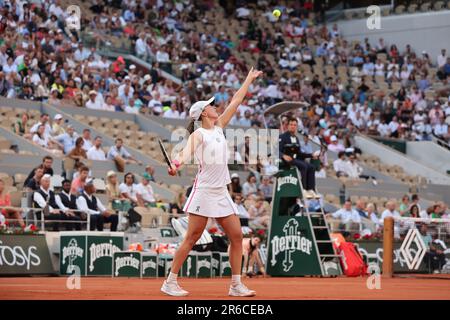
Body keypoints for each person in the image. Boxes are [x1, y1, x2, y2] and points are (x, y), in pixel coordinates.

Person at [161, 67, 262, 297]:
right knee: (192, 238)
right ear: (203, 113)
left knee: (237, 237)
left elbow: (236, 101)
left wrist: (248, 78)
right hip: (204, 191)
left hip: (221, 192)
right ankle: (170, 281)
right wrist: (175, 165)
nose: (215, 106)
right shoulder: (199, 134)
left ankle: (236, 285)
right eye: (210, 105)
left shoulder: (219, 127)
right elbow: (184, 153)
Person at [279, 118, 318, 198]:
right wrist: (283, 155)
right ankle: (303, 189)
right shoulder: (282, 137)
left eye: (295, 125)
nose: (293, 127)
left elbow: (299, 153)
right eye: (291, 125)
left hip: (295, 159)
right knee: (303, 166)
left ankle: (310, 189)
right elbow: (276, 150)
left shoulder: (296, 139)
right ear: (287, 126)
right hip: (286, 160)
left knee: (311, 167)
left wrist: (311, 155)